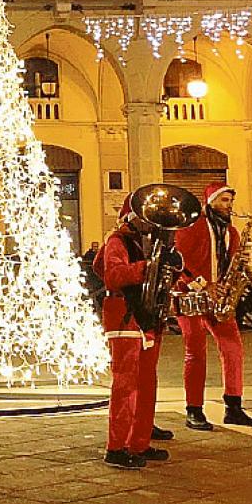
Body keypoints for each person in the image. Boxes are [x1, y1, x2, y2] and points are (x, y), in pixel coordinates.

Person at [174, 182, 252, 429]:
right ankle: (194, 409)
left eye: (230, 200)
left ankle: (233, 407)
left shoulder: (231, 232)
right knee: (195, 352)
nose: (229, 205)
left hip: (219, 298)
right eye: (224, 200)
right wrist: (204, 285)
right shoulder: (192, 226)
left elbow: (230, 263)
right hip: (190, 295)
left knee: (233, 348)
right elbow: (179, 260)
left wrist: (237, 271)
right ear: (210, 201)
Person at [94, 197, 171, 468]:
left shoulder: (150, 241)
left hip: (147, 315)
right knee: (126, 383)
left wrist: (173, 268)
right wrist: (149, 267)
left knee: (147, 382)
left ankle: (139, 442)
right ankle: (116, 447)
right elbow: (113, 276)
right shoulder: (118, 241)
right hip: (123, 313)